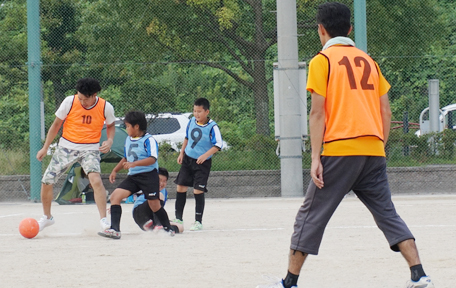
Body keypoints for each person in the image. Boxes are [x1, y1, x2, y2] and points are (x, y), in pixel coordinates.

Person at [257, 3, 434, 288]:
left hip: (339, 150)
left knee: (311, 215)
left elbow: (317, 113)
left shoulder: (322, 61)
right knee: (387, 214)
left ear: (321, 30)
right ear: (350, 29)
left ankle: (289, 281)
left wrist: (316, 156)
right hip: (373, 151)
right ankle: (419, 274)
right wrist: (379, 147)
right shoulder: (369, 61)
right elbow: (386, 113)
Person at [36, 77, 115, 233]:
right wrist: (45, 148)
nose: (81, 101)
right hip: (66, 146)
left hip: (90, 149)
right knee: (46, 181)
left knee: (96, 180)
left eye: (84, 99)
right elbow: (56, 125)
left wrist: (110, 141)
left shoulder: (105, 107)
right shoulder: (69, 102)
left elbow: (111, 126)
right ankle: (47, 217)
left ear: (94, 95)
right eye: (79, 97)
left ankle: (103, 220)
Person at [98, 111, 175, 239]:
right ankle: (115, 230)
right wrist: (115, 170)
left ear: (137, 126)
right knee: (115, 197)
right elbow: (126, 157)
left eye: (128, 126)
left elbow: (152, 159)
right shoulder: (128, 139)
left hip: (149, 176)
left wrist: (135, 164)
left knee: (154, 205)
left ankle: (168, 228)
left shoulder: (148, 140)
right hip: (133, 177)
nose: (127, 129)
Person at [173, 97, 223, 231]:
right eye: (194, 111)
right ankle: (178, 218)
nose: (196, 114)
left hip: (202, 163)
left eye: (199, 111)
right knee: (181, 186)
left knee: (198, 190)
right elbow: (187, 138)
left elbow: (218, 145)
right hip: (188, 159)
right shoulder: (191, 122)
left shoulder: (212, 126)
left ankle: (198, 221)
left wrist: (205, 155)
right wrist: (181, 153)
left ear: (207, 112)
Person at [132, 167, 174, 231]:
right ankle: (158, 224)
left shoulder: (164, 191)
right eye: (159, 180)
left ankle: (158, 228)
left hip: (151, 218)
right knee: (159, 195)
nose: (162, 183)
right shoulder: (147, 184)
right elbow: (127, 190)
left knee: (180, 227)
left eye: (164, 181)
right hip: (139, 213)